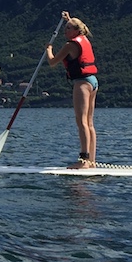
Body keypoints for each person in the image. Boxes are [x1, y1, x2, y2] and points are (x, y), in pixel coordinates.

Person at [46, 11, 99, 169]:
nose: (65, 31)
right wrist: (68, 20)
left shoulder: (69, 45)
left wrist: (48, 49)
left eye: (69, 28)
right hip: (93, 81)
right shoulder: (84, 39)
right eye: (65, 28)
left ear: (76, 31)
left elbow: (53, 62)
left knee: (82, 122)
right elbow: (77, 26)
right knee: (89, 123)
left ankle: (83, 161)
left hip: (82, 83)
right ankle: (91, 162)